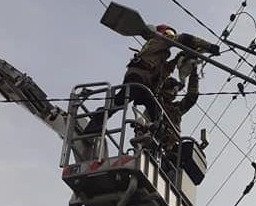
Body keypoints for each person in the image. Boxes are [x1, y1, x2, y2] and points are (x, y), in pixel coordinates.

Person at [83, 25, 217, 134]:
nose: (170, 36)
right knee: (122, 99)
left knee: (154, 110)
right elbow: (184, 38)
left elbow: (167, 69)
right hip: (138, 77)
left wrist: (185, 56)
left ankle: (157, 134)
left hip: (145, 83)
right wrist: (208, 46)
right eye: (169, 32)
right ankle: (96, 122)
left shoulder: (159, 55)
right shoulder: (158, 40)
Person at [156, 67, 200, 157]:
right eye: (171, 90)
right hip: (155, 144)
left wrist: (193, 74)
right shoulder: (154, 103)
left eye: (175, 91)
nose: (174, 94)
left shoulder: (175, 108)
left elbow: (191, 97)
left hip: (171, 147)